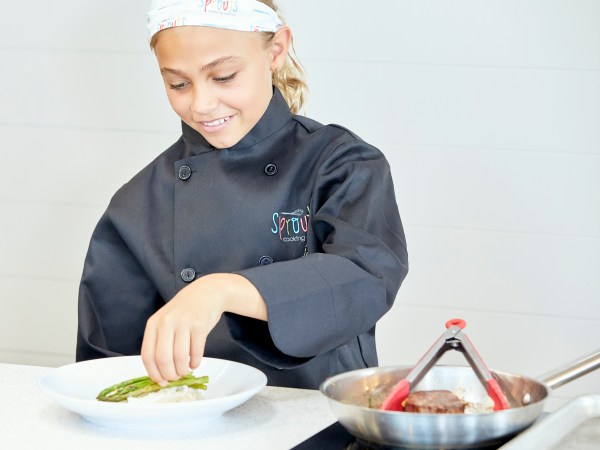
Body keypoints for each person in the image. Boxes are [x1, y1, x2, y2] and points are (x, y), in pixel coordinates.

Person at [76, 0, 409, 389]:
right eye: (178, 84)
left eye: (224, 76)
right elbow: (103, 370)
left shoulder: (340, 162)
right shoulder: (137, 203)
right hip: (189, 429)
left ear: (276, 50)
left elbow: (367, 275)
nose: (201, 104)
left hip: (322, 421)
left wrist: (221, 289)